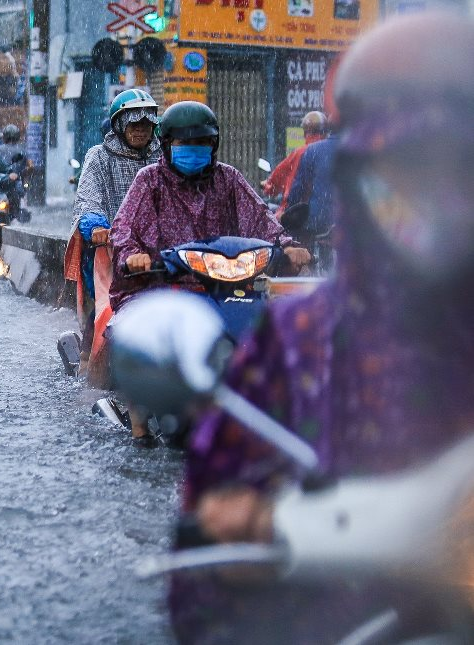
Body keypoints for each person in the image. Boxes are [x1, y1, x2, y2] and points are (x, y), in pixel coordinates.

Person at [169, 13, 474, 643]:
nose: (441, 198)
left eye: (460, 170)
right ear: (360, 183)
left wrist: (283, 241)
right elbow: (199, 584)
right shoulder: (297, 340)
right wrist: (238, 543)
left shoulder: (231, 183)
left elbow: (271, 218)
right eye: (406, 173)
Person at [110, 101, 310, 314]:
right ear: (167, 143)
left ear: (213, 144)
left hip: (226, 288)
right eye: (185, 142)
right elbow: (124, 230)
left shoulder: (228, 178)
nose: (194, 147)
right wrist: (134, 256)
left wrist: (287, 247)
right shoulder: (150, 180)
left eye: (202, 142)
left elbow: (259, 218)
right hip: (159, 290)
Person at [63, 88, 161, 379]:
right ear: (120, 125)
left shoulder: (163, 156)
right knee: (105, 305)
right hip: (110, 246)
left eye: (146, 124)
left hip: (157, 247)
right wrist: (97, 227)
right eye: (134, 124)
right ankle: (88, 356)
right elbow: (88, 200)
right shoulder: (99, 157)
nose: (141, 130)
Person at [260, 110, 327, 210]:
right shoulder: (333, 150)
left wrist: (268, 186)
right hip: (328, 211)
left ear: (305, 132)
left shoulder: (300, 153)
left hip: (296, 211)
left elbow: (276, 180)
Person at [287, 121, 340, 235]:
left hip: (318, 219)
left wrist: (291, 207)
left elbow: (298, 187)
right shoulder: (361, 152)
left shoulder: (311, 150)